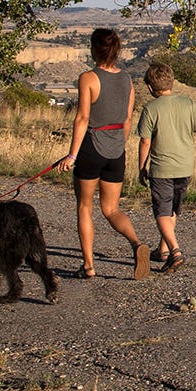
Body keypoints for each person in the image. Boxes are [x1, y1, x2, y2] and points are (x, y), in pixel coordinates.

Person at [59, 28, 149, 279]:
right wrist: (120, 147)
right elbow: (128, 119)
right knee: (111, 209)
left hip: (91, 146)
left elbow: (83, 118)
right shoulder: (127, 79)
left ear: (93, 48)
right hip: (115, 149)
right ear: (117, 50)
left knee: (85, 206)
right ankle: (136, 243)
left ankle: (88, 265)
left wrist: (72, 155)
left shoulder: (88, 77)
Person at [133, 59, 196, 272]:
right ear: (172, 83)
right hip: (185, 167)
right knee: (172, 210)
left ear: (150, 88)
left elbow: (145, 141)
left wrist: (142, 167)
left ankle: (175, 251)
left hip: (161, 168)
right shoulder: (188, 104)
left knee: (161, 211)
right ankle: (163, 249)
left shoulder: (150, 108)